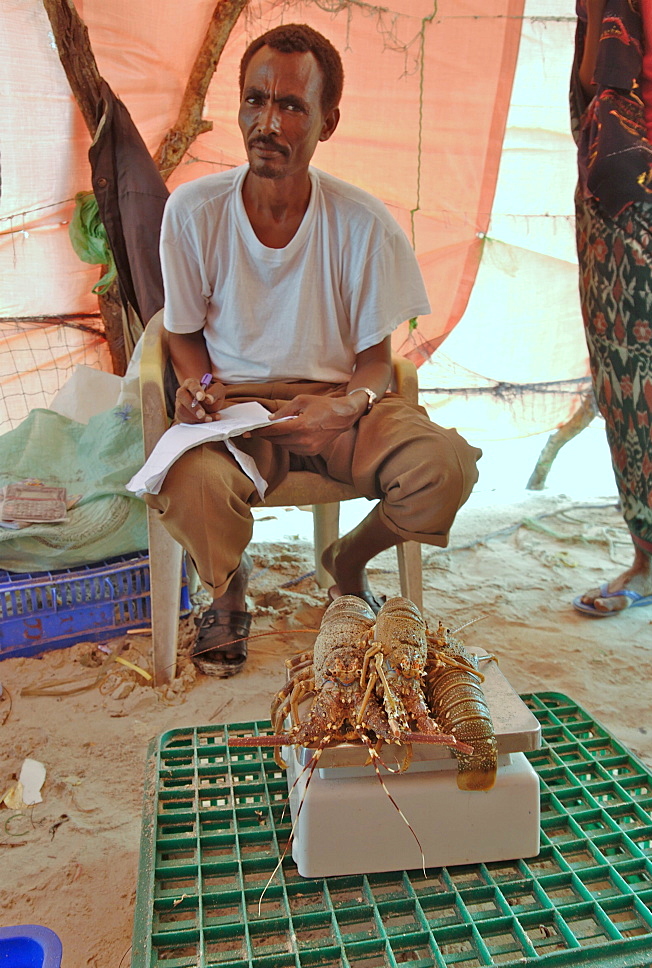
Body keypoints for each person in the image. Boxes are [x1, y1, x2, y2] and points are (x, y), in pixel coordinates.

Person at [145, 23, 481, 675]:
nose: (266, 122)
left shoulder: (362, 224)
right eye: (254, 99)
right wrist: (198, 384)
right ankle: (228, 588)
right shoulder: (193, 212)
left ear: (328, 122)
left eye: (291, 106)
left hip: (338, 409)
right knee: (186, 480)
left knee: (444, 468)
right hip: (241, 411)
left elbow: (375, 360)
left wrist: (347, 405)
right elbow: (180, 333)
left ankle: (347, 562)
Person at [571, 0, 652, 616]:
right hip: (628, 188)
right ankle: (648, 561)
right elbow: (593, 79)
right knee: (632, 389)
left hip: (629, 186)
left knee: (634, 384)